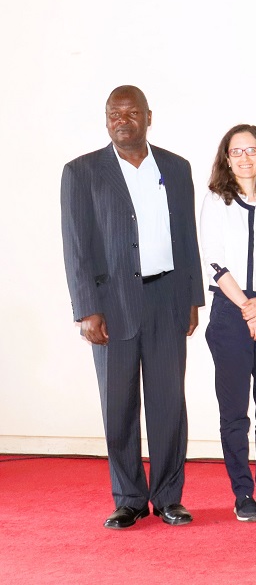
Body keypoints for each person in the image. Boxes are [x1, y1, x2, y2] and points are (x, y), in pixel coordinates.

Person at [60, 85, 203, 529]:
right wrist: (86, 308)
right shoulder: (81, 172)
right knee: (118, 406)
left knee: (167, 404)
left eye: (131, 113)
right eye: (113, 114)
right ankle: (129, 498)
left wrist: (192, 298)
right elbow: (76, 245)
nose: (122, 120)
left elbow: (187, 237)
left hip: (166, 298)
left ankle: (168, 497)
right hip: (112, 305)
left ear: (148, 116)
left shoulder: (176, 168)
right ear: (107, 121)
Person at [198, 124, 256, 522]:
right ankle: (242, 493)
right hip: (229, 313)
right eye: (236, 152)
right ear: (226, 158)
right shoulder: (215, 201)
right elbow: (215, 261)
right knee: (234, 412)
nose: (245, 158)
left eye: (252, 150)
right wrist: (247, 308)